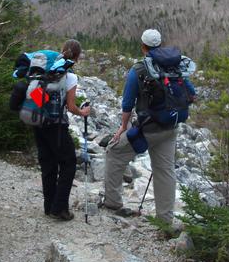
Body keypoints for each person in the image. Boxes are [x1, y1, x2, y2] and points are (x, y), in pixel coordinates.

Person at [103, 29, 196, 223]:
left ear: (143, 46)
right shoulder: (174, 67)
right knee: (165, 170)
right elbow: (192, 94)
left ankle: (112, 202)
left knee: (114, 152)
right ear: (160, 45)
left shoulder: (138, 69)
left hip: (148, 129)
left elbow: (127, 103)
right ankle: (165, 219)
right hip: (170, 128)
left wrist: (123, 127)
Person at [33, 39, 90, 221]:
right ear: (77, 57)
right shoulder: (70, 75)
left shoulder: (43, 69)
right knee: (68, 163)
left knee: (48, 164)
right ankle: (60, 208)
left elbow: (34, 94)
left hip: (37, 121)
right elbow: (72, 107)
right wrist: (83, 112)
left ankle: (49, 206)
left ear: (62, 50)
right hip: (57, 125)